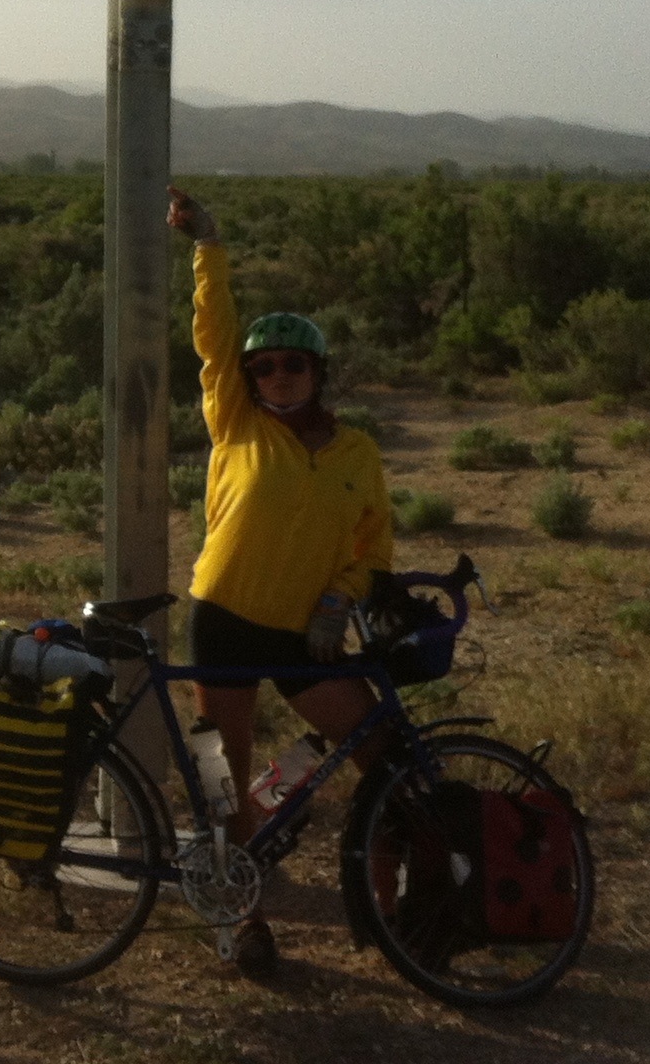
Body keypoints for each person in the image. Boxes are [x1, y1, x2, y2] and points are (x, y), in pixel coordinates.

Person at [166, 184, 392, 980]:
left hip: (305, 630)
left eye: (295, 363)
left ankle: (401, 893)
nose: (280, 375)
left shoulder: (357, 452)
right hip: (225, 617)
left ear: (318, 371)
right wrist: (209, 248)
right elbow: (213, 337)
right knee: (221, 782)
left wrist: (341, 598)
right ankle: (243, 919)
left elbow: (374, 545)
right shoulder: (236, 420)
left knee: (377, 746)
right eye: (264, 366)